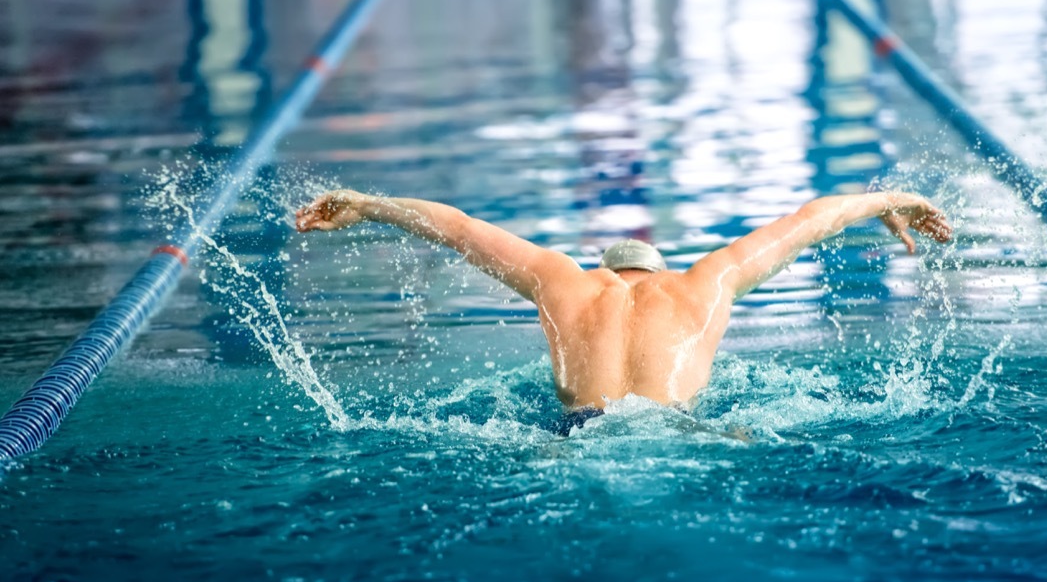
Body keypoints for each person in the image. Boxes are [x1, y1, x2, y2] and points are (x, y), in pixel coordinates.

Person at [295, 189, 952, 432]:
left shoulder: (562, 282)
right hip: (684, 433)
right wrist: (891, 199)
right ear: (657, 270)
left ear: (605, 270)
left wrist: (367, 205)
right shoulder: (708, 281)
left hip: (580, 436)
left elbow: (460, 229)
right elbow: (810, 222)